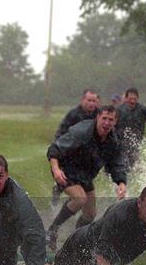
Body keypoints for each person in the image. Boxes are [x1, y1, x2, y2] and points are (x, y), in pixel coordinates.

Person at [46, 105, 127, 251]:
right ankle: (52, 230)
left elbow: (115, 163)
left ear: (115, 122)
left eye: (111, 120)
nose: (107, 123)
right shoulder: (82, 131)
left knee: (90, 214)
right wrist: (56, 169)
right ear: (98, 118)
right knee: (80, 198)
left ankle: (77, 238)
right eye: (104, 118)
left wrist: (121, 182)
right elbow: (54, 149)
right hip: (65, 169)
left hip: (85, 176)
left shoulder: (113, 140)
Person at [51, 89, 101, 206]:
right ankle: (59, 188)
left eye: (94, 101)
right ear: (83, 100)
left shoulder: (99, 115)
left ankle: (73, 202)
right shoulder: (73, 114)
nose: (91, 104)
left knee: (84, 186)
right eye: (89, 100)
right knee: (71, 181)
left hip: (88, 156)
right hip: (70, 154)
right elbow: (60, 134)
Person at [115, 88, 146, 170]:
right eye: (130, 99)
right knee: (122, 164)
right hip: (120, 143)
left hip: (136, 143)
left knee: (134, 166)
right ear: (126, 98)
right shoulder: (119, 110)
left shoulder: (143, 110)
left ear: (138, 98)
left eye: (135, 99)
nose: (132, 101)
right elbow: (111, 125)